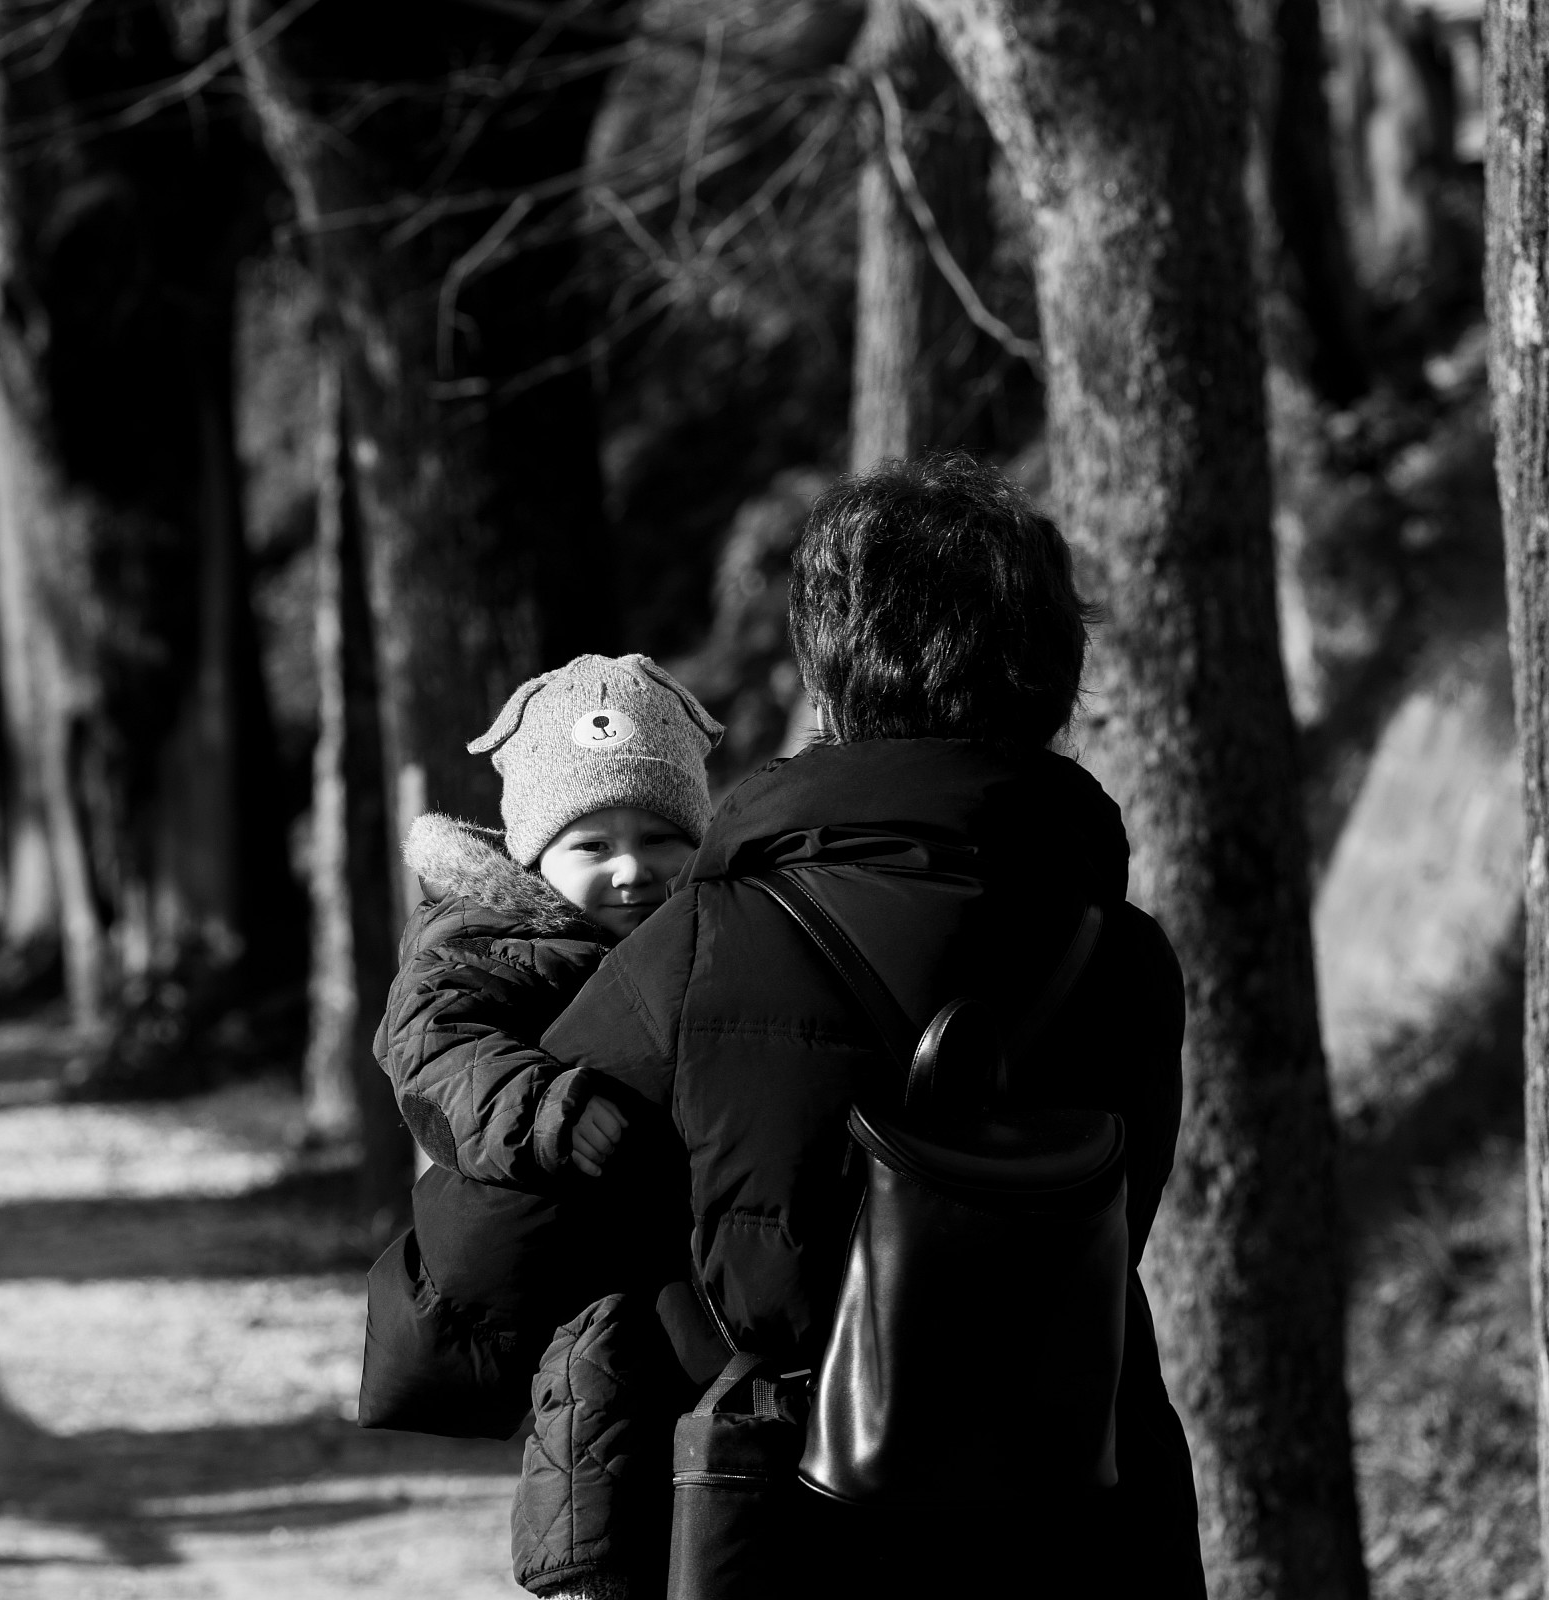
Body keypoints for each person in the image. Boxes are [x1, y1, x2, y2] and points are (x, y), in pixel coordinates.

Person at [539, 454, 1208, 1597]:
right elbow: (1118, 1206)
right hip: (1070, 1505)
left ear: (833, 673)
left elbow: (500, 1230)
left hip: (784, 1517)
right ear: (1053, 671)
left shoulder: (704, 939)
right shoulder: (1125, 956)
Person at [367, 652, 721, 1600]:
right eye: (592, 844)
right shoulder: (486, 945)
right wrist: (549, 1107)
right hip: (590, 1299)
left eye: (660, 837)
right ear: (531, 856)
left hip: (707, 1281)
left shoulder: (722, 940)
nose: (632, 868)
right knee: (599, 1451)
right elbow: (435, 1050)